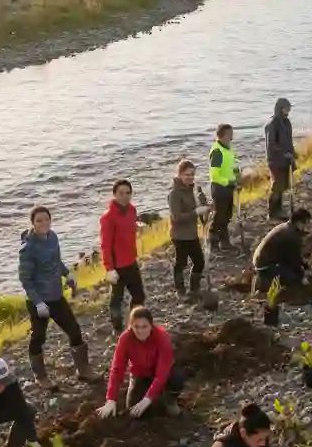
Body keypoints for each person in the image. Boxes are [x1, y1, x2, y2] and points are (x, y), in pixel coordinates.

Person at [18, 205, 96, 388]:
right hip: (39, 301)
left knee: (74, 331)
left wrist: (67, 274)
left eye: (46, 219)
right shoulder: (28, 249)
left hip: (56, 296)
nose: (44, 223)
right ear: (33, 223)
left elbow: (56, 261)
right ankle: (40, 376)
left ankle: (83, 370)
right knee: (39, 337)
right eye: (39, 220)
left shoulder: (52, 237)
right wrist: (38, 303)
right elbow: (25, 280)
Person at [96, 307, 186, 420]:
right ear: (131, 326)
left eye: (144, 326)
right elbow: (117, 369)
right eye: (136, 327)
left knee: (177, 377)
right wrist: (111, 399)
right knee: (134, 410)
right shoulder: (125, 339)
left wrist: (147, 399)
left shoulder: (162, 337)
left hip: (160, 372)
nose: (140, 331)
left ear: (151, 325)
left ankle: (170, 400)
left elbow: (162, 374)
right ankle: (151, 392)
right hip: (140, 374)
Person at [100, 179, 145, 333]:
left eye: (128, 193)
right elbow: (105, 245)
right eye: (121, 193)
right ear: (114, 195)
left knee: (139, 295)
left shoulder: (132, 210)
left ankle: (134, 322)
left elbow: (130, 227)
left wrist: (137, 227)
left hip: (131, 261)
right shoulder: (107, 218)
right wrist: (109, 268)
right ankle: (117, 328)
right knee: (117, 300)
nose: (125, 196)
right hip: (117, 266)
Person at [168, 159, 210, 300]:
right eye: (187, 175)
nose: (190, 177)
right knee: (181, 263)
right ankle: (180, 290)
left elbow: (201, 207)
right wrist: (195, 212)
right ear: (179, 175)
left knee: (199, 262)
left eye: (192, 174)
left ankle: (194, 289)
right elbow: (176, 217)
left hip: (192, 233)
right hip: (179, 235)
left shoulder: (194, 190)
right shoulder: (174, 193)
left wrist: (205, 207)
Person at [252, 208, 312, 291]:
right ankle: (265, 281)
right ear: (298, 222)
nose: (306, 227)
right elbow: (293, 260)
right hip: (265, 267)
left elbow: (293, 256)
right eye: (306, 223)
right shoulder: (291, 235)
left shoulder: (286, 227)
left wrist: (305, 266)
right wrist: (302, 275)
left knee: (293, 270)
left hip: (263, 261)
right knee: (294, 279)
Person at [209, 123, 241, 252]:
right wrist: (229, 181)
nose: (232, 136)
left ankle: (224, 242)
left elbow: (233, 164)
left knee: (227, 215)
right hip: (219, 188)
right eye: (230, 134)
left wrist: (238, 177)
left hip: (229, 187)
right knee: (219, 216)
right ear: (223, 135)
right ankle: (213, 242)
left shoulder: (228, 148)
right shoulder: (217, 151)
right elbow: (214, 175)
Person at [265, 97, 296, 220]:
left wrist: (293, 153)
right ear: (280, 108)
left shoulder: (287, 122)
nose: (289, 110)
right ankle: (272, 212)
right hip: (275, 160)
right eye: (287, 107)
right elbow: (271, 145)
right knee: (277, 186)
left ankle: (279, 209)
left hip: (286, 159)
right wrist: (284, 153)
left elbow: (289, 141)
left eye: (289, 107)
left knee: (283, 185)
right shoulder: (272, 124)